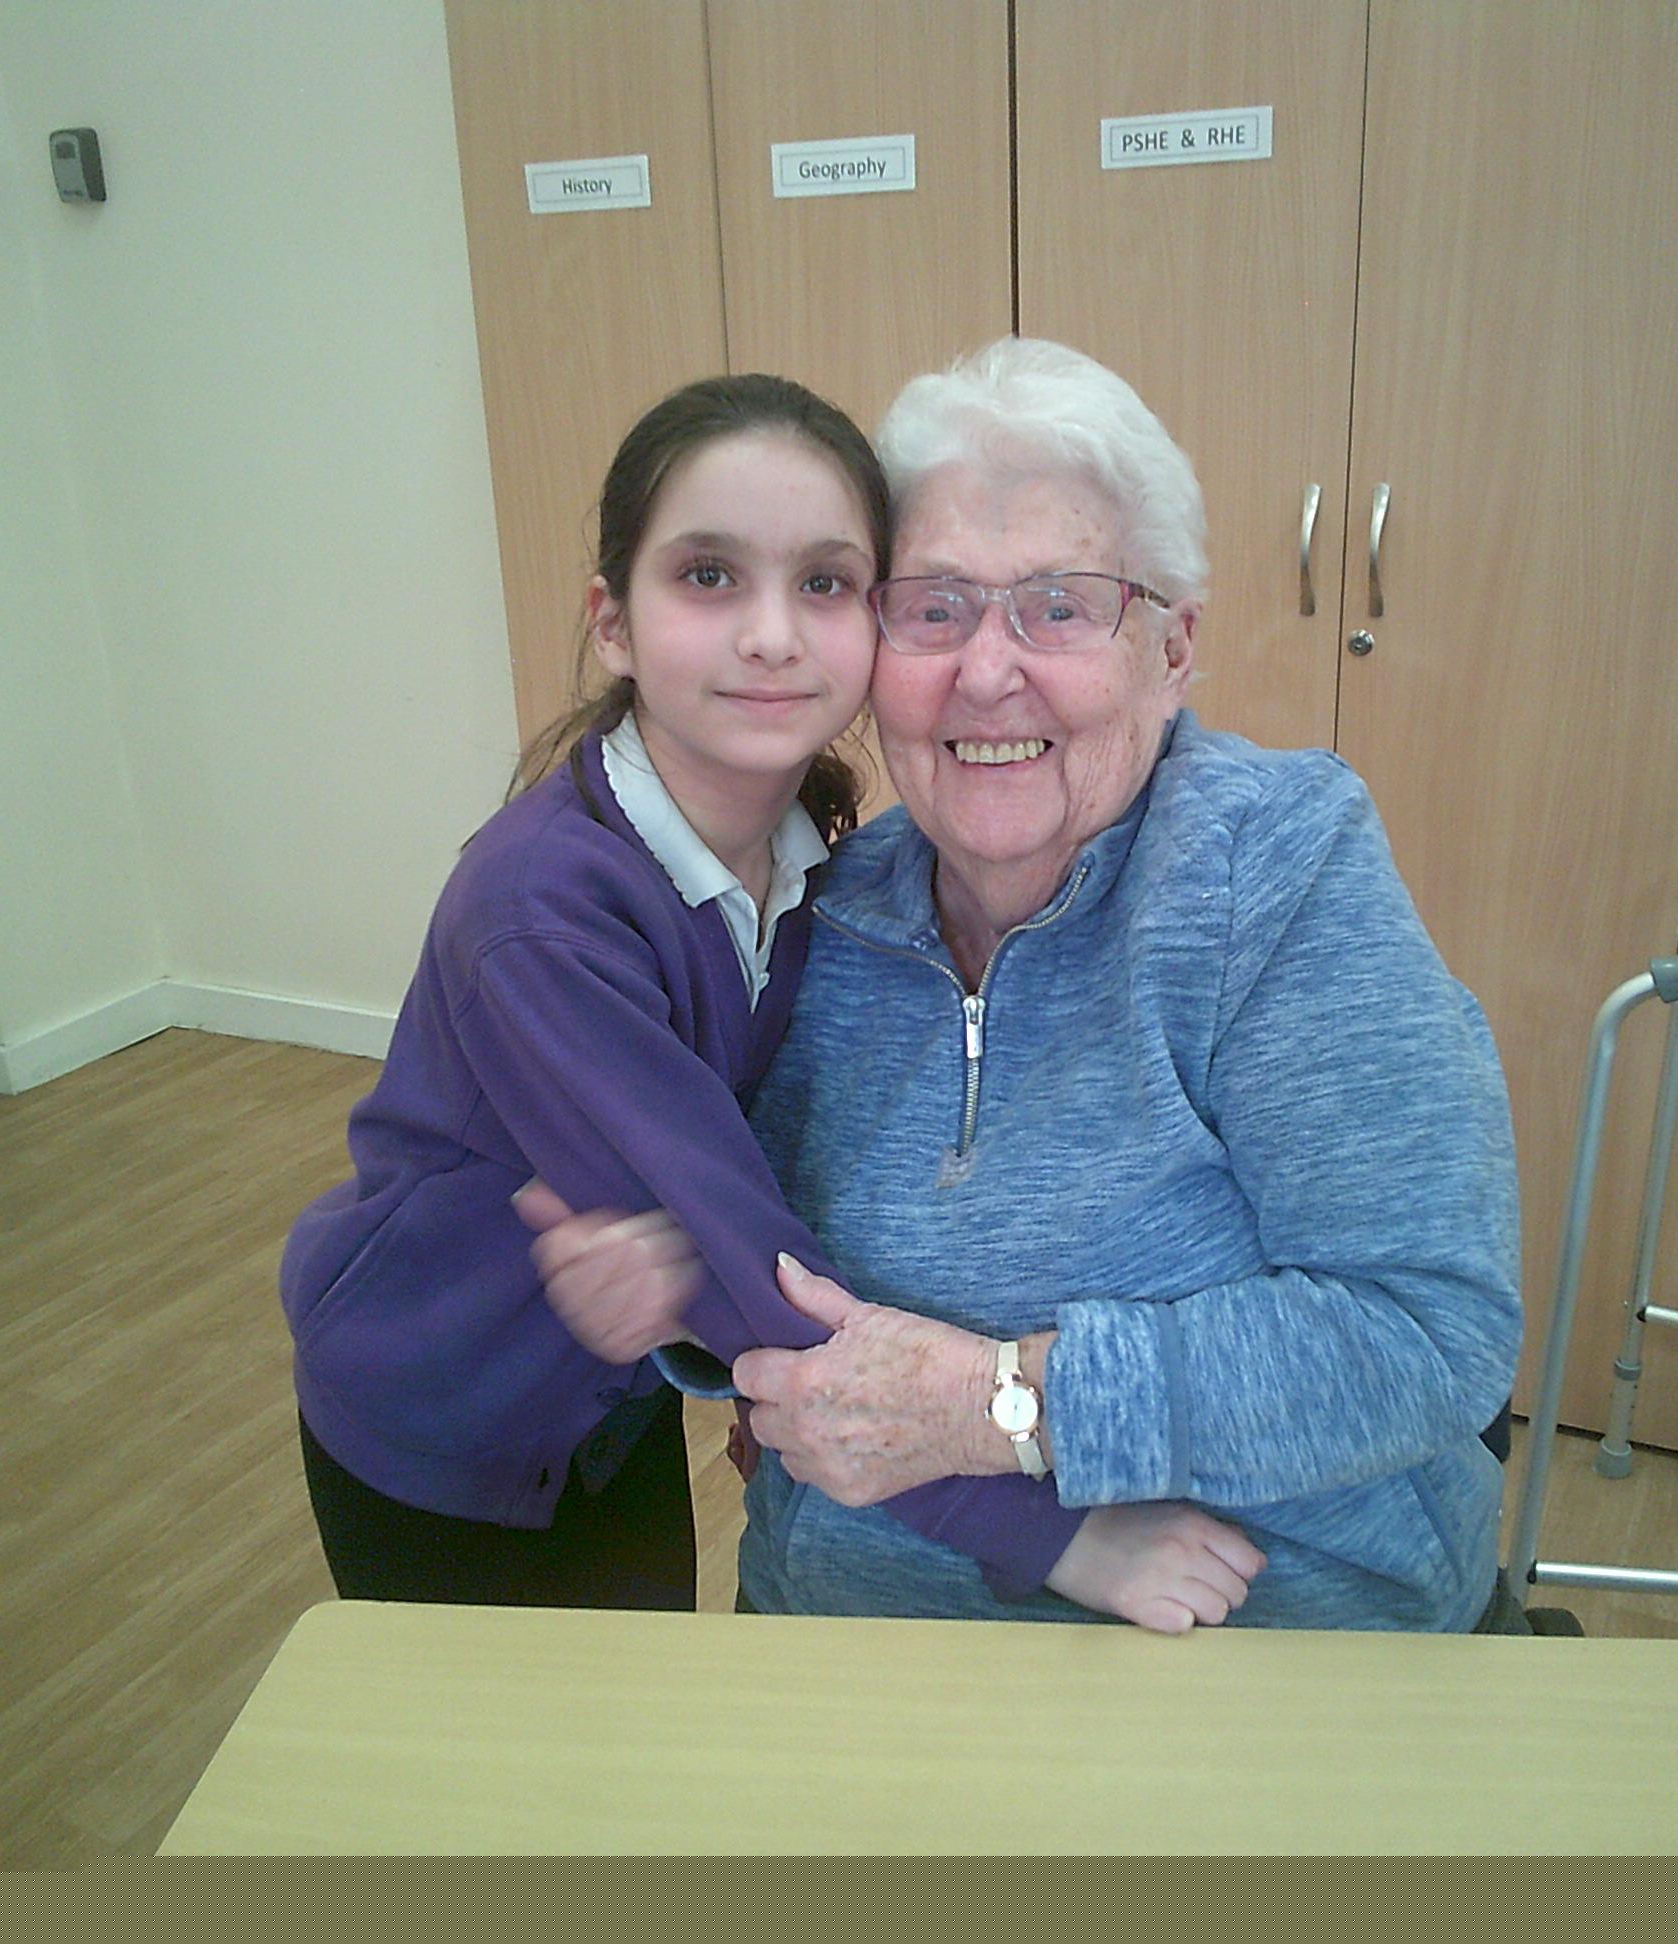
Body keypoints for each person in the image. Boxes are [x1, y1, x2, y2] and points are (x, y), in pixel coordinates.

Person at [529, 338, 1523, 1630]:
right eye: (933, 608)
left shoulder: (1275, 871)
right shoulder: (820, 906)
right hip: (844, 1638)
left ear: (1173, 647)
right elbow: (749, 1263)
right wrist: (674, 1292)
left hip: (1254, 1658)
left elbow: (1428, 1333)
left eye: (1061, 607)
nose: (987, 671)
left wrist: (1003, 1406)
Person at [279, 370, 1261, 1624]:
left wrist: (730, 1370)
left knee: (642, 1707)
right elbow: (739, 1249)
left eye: (825, 584)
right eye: (708, 576)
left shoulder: (817, 859)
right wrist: (1054, 1538)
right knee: (511, 1752)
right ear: (612, 623)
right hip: (445, 1417)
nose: (771, 635)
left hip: (611, 1400)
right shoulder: (540, 915)